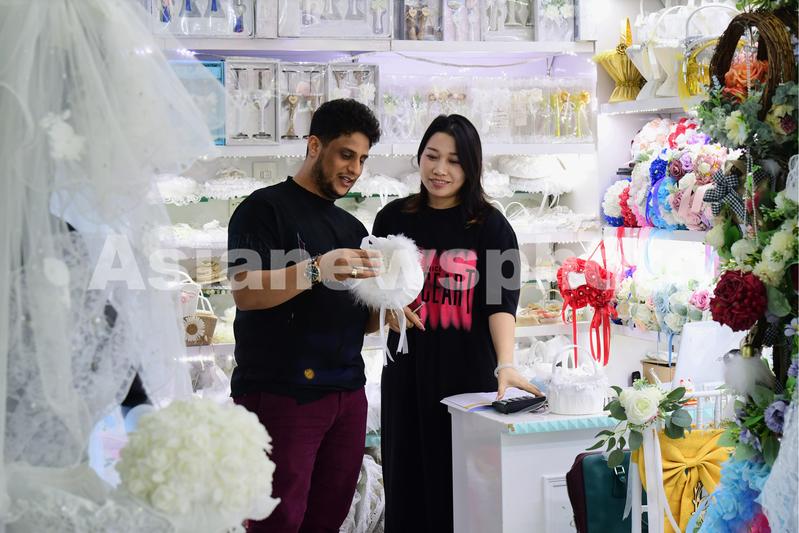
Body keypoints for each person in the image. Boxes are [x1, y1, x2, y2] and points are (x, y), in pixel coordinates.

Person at [372, 114, 542, 533]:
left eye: (454, 161)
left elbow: (501, 304)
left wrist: (506, 363)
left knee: (463, 492)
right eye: (432, 156)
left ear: (471, 167)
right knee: (407, 484)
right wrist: (385, 309)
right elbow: (377, 290)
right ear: (419, 157)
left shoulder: (492, 226)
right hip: (406, 376)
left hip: (466, 381)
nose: (440, 169)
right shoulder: (392, 219)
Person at [227, 98, 383, 533]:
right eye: (346, 155)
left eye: (363, 159)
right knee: (275, 521)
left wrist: (391, 304)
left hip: (347, 395)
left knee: (328, 519)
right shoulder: (262, 209)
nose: (354, 169)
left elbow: (363, 320)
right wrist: (317, 268)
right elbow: (245, 291)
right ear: (315, 146)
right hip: (281, 393)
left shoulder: (353, 229)